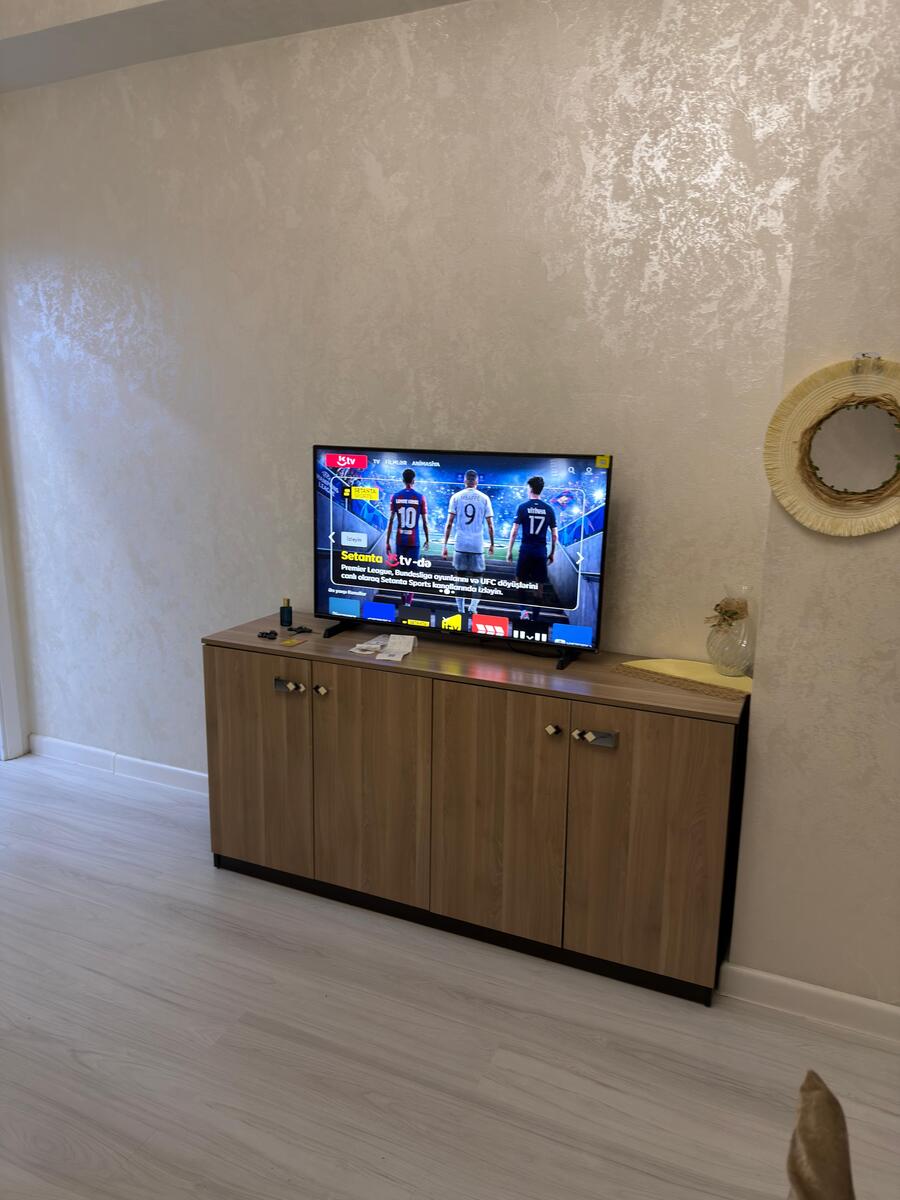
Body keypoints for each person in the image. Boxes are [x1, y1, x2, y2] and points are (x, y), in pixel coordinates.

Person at [442, 469, 494, 616]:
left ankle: (460, 609)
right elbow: (490, 525)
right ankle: (473, 607)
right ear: (477, 481)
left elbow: (449, 524)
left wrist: (444, 546)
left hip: (460, 544)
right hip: (477, 545)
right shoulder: (484, 498)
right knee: (478, 578)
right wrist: (492, 544)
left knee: (459, 578)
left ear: (464, 481)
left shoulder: (456, 497)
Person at [506, 475, 557, 605]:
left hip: (526, 550)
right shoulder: (549, 509)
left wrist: (509, 551)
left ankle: (523, 611)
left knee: (519, 582)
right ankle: (535, 615)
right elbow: (554, 535)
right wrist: (552, 553)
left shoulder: (522, 507)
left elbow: (514, 531)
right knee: (539, 586)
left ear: (530, 488)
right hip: (541, 551)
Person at [385, 468, 429, 607]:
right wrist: (427, 539)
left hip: (400, 540)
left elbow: (391, 520)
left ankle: (404, 599)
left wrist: (387, 541)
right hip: (413, 541)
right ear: (414, 480)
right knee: (411, 574)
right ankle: (408, 603)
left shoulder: (395, 496)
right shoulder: (420, 497)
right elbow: (425, 522)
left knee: (402, 572)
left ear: (403, 480)